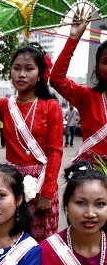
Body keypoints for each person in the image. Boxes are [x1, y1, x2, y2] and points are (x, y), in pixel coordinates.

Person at [0, 41, 63, 242]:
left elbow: (55, 151)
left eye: (29, 69)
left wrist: (47, 192)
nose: (21, 74)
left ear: (39, 74)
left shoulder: (50, 106)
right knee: (10, 236)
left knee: (40, 242)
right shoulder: (4, 105)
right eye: (16, 68)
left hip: (42, 181)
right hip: (11, 182)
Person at [50, 10, 107, 164]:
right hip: (92, 178)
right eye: (106, 62)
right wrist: (73, 38)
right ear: (98, 70)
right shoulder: (87, 96)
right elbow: (56, 79)